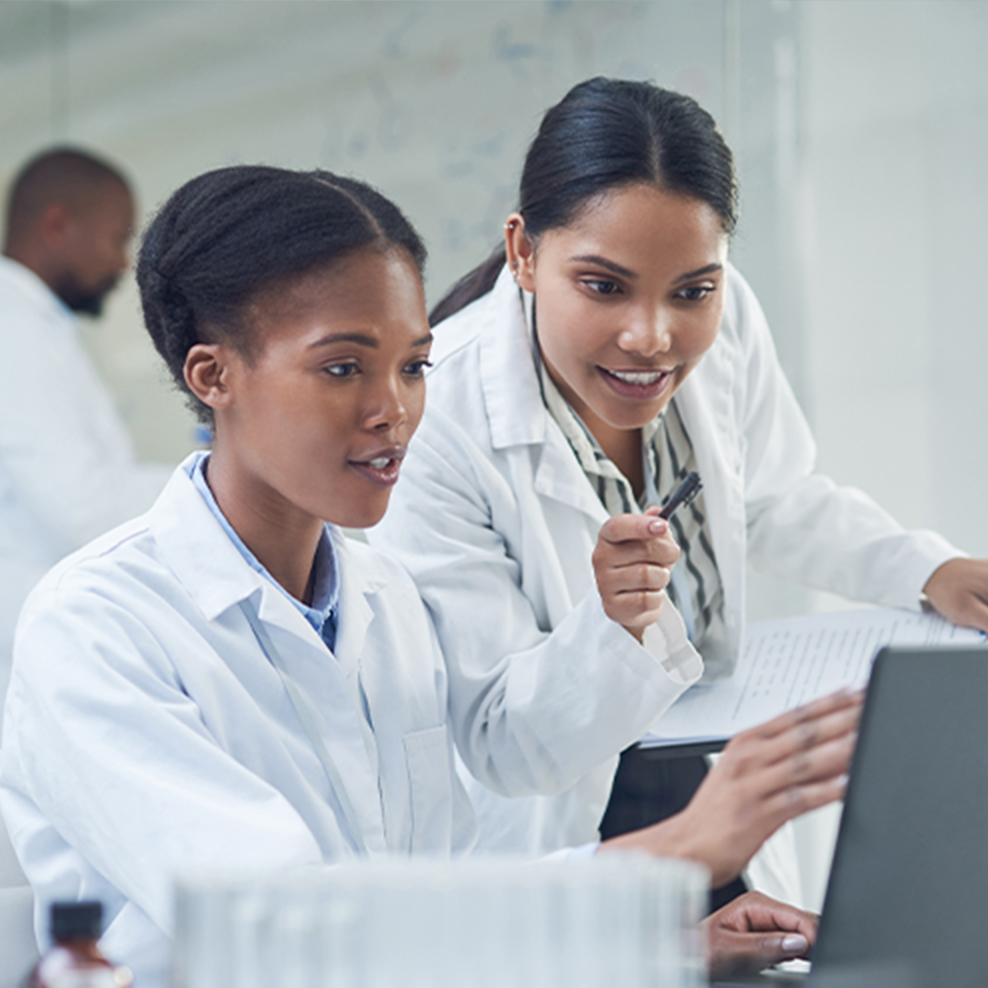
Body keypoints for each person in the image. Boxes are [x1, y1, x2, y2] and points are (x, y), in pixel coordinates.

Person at [0, 165, 858, 987]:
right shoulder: (96, 627)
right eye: (344, 367)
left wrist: (655, 950)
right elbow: (288, 928)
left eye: (413, 366)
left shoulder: (385, 602)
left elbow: (438, 902)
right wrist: (677, 850)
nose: (395, 411)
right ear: (212, 375)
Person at [368, 77, 988, 899]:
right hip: (562, 825)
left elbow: (770, 495)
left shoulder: (728, 319)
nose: (652, 337)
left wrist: (925, 570)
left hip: (708, 772)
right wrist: (615, 625)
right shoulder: (437, 414)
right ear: (524, 252)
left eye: (692, 290)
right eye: (604, 285)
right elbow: (502, 740)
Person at [0, 147, 171, 709]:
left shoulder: (35, 323)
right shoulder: (13, 325)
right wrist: (224, 486)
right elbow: (82, 507)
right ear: (56, 225)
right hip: (29, 639)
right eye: (116, 239)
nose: (123, 263)